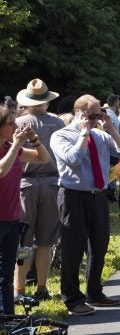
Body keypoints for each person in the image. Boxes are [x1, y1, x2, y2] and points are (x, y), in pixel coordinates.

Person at [50, 95, 120, 316]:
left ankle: (94, 291)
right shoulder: (61, 135)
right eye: (92, 116)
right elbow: (73, 159)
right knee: (73, 248)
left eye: (99, 115)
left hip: (98, 195)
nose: (96, 120)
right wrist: (84, 133)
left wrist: (111, 128)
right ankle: (73, 298)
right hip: (73, 195)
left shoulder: (101, 135)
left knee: (99, 245)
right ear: (79, 113)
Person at [12, 79, 64, 302]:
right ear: (47, 101)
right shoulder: (58, 123)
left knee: (24, 240)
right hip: (52, 183)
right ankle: (42, 287)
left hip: (25, 184)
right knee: (46, 240)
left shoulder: (17, 122)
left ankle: (19, 288)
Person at [0, 104, 51, 315]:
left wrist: (35, 140)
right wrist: (15, 146)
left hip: (12, 217)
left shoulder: (11, 146)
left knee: (6, 271)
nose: (15, 126)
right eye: (11, 123)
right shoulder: (11, 148)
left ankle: (8, 316)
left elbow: (44, 158)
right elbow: (1, 171)